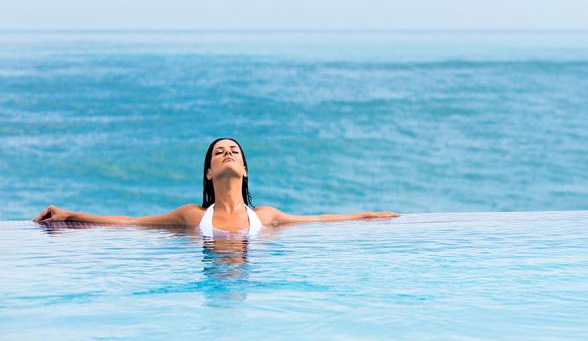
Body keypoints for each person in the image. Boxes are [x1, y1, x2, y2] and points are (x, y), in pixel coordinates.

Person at [33, 137, 400, 234]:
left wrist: (368, 215)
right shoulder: (193, 217)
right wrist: (69, 215)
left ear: (244, 168)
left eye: (233, 151)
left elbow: (319, 220)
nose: (227, 154)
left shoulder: (265, 217)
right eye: (219, 152)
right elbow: (131, 222)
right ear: (208, 172)